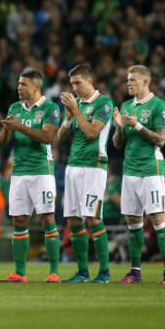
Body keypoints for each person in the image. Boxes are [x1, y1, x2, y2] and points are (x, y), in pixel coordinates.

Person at [0, 69, 62, 282]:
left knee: (47, 218)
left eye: (23, 84)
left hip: (42, 170)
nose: (18, 88)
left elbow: (47, 136)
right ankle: (20, 273)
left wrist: (19, 126)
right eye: (18, 84)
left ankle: (53, 272)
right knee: (19, 220)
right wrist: (7, 130)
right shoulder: (15, 108)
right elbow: (2, 143)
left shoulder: (50, 108)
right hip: (19, 171)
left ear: (35, 87)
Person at [112, 65, 165, 284]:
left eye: (133, 80)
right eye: (128, 80)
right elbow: (118, 144)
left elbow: (161, 140)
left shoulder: (159, 105)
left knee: (157, 217)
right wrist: (119, 128)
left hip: (151, 168)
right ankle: (135, 272)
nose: (128, 83)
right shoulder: (127, 105)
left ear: (145, 82)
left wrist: (138, 125)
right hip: (130, 170)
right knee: (133, 220)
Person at [56, 64, 113, 283]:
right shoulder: (75, 105)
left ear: (90, 81)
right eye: (72, 84)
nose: (75, 88)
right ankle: (82, 272)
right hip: (73, 165)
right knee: (73, 219)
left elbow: (91, 133)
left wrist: (76, 112)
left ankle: (105, 272)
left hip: (94, 165)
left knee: (93, 217)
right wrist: (69, 118)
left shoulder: (104, 103)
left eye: (78, 83)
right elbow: (61, 138)